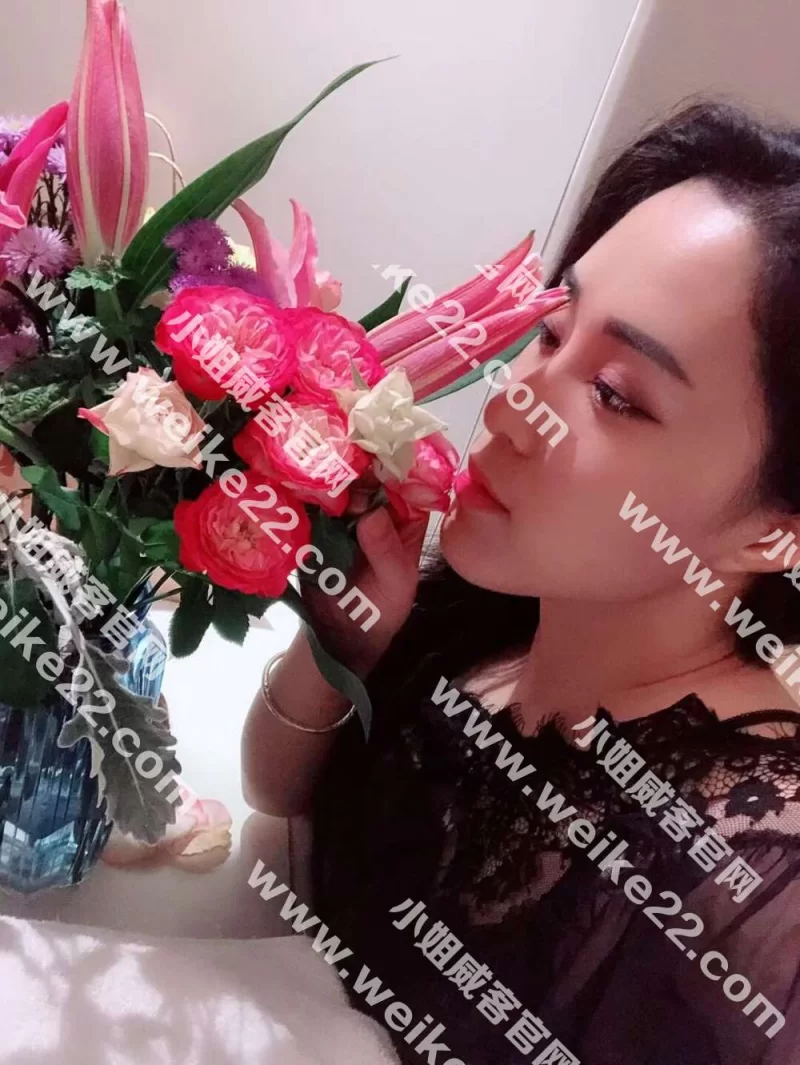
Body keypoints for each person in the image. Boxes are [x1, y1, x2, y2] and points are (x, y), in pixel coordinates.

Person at [241, 99, 800, 1065]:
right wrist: (342, 647)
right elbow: (277, 793)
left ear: (774, 531)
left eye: (616, 395)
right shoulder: (491, 616)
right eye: (550, 332)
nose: (512, 402)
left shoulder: (748, 865)